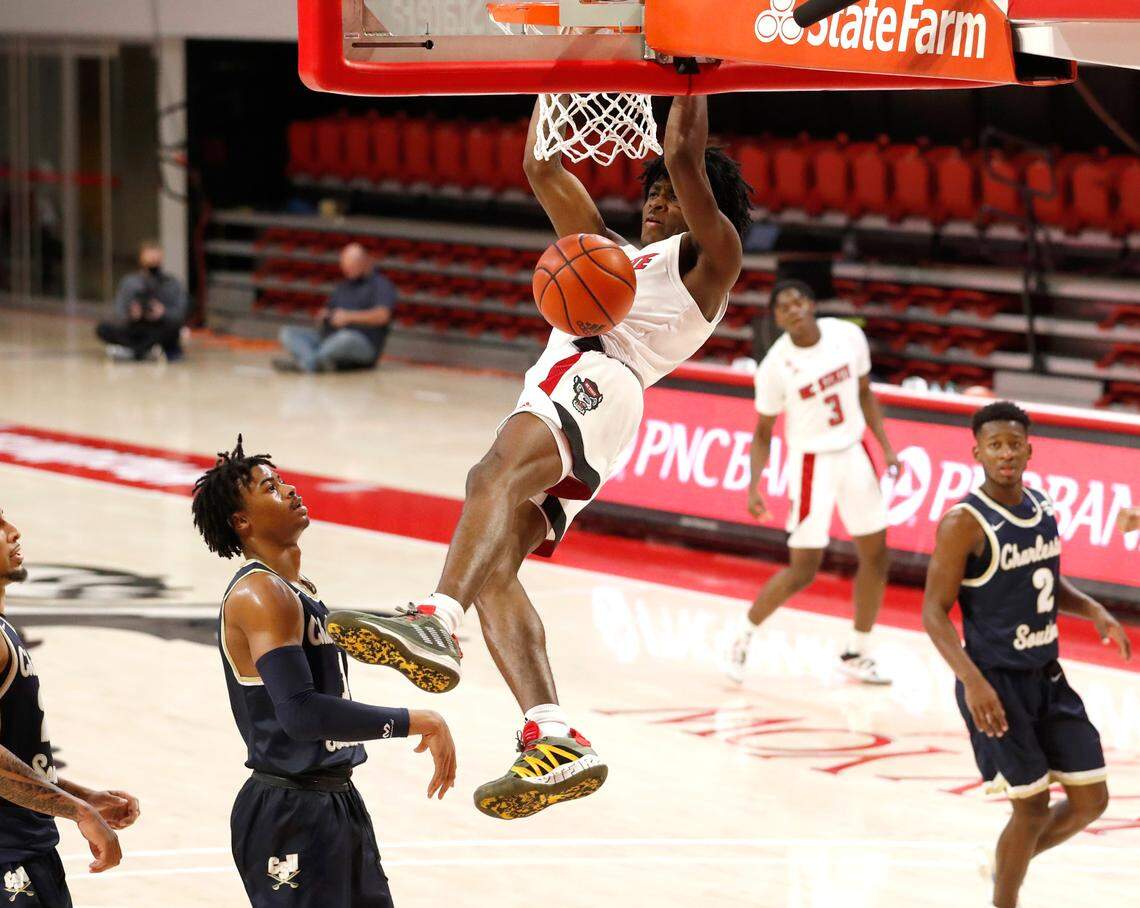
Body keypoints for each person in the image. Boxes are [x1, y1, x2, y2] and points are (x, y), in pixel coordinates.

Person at [325, 94, 751, 820]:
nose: (656, 202)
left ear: (700, 206)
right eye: (649, 193)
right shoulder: (613, 254)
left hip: (596, 375)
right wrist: (553, 86)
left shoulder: (714, 257)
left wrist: (691, 73)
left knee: (487, 476)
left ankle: (434, 616)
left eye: (669, 197)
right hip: (596, 402)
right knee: (494, 570)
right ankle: (552, 736)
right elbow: (539, 163)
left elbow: (684, 155)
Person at [191, 438, 455, 907]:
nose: (290, 490)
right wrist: (417, 719)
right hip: (289, 810)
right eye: (271, 487)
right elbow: (301, 715)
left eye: (284, 480)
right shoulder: (261, 595)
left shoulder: (298, 591)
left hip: (334, 800)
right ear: (242, 522)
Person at [921, 401, 1131, 908]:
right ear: (978, 453)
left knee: (1091, 801)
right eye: (995, 445)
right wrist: (973, 683)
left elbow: (1041, 580)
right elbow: (933, 612)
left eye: (1014, 443)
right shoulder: (962, 523)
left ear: (1030, 449)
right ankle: (1004, 898)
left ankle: (1004, 864)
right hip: (995, 681)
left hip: (1047, 676)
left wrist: (1093, 609)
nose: (1006, 453)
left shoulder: (1043, 507)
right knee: (1032, 810)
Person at [725, 281, 899, 685]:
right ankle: (742, 636)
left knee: (877, 555)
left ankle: (858, 651)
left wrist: (886, 446)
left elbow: (865, 393)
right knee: (804, 570)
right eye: (784, 307)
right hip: (811, 464)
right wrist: (755, 485)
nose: (794, 309)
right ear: (778, 318)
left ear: (812, 303)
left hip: (855, 452)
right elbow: (763, 432)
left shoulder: (847, 335)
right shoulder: (774, 367)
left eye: (799, 301)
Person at [0, 507, 140, 907]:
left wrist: (83, 796)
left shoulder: (3, 628)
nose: (13, 532)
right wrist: (78, 811)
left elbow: (16, 755)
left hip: (23, 848)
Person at [274, 244, 397, 373]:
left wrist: (348, 317)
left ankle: (307, 363)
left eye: (351, 267)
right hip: (329, 337)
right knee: (288, 333)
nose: (347, 271)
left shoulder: (381, 285)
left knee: (344, 338)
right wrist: (325, 316)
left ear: (363, 262)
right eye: (345, 267)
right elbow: (329, 310)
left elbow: (383, 316)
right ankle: (314, 362)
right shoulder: (343, 286)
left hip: (361, 342)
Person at [96, 241, 189, 362]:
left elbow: (180, 313)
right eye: (149, 260)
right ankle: (143, 350)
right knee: (103, 328)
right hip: (134, 327)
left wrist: (163, 313)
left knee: (175, 331)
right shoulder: (129, 283)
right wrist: (132, 314)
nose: (152, 264)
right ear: (141, 260)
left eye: (156, 260)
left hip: (159, 327)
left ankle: (132, 351)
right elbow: (119, 311)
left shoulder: (172, 283)